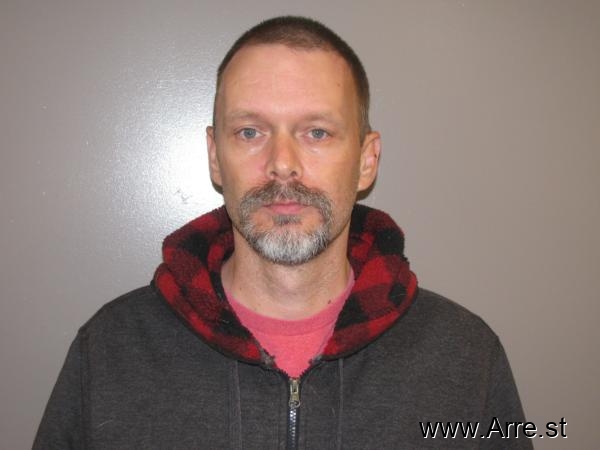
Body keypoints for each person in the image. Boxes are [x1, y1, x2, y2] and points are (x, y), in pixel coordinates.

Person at [34, 16, 531, 449]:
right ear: (215, 156)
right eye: (250, 132)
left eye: (317, 132)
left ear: (366, 160)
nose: (282, 164)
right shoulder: (111, 352)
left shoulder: (465, 359)